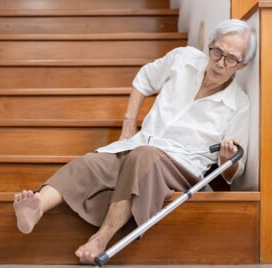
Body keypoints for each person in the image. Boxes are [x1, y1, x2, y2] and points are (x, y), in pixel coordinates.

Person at [13, 19, 257, 264]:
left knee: (144, 156)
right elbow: (144, 79)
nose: (220, 62)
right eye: (217, 52)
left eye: (231, 58)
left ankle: (101, 239)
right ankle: (37, 207)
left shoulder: (239, 104)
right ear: (209, 45)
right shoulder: (183, 59)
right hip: (138, 147)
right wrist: (129, 124)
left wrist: (227, 159)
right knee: (92, 163)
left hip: (183, 166)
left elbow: (234, 170)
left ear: (242, 65)